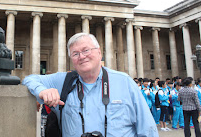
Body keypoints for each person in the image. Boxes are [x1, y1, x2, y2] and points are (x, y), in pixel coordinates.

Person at [23, 33, 158, 137]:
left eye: (86, 50)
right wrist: (42, 91)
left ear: (99, 52)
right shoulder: (63, 81)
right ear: (72, 60)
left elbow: (148, 130)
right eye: (75, 54)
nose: (82, 56)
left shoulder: (124, 82)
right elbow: (28, 80)